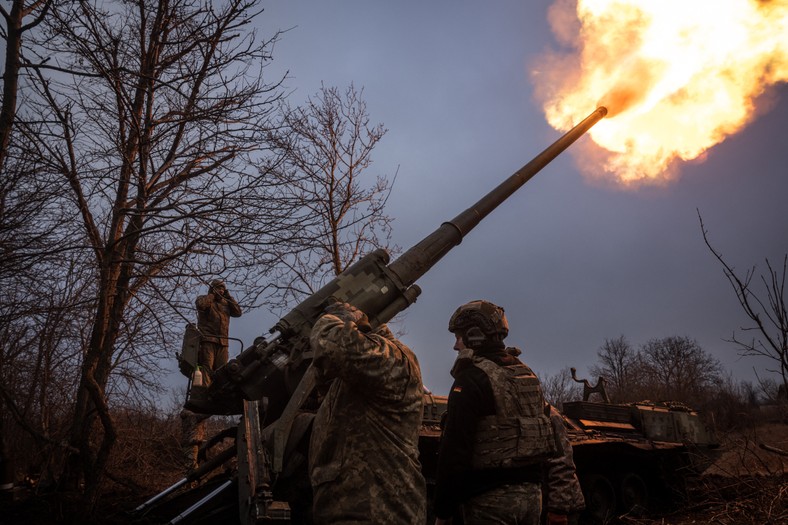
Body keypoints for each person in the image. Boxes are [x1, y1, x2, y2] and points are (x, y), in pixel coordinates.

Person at [433, 300, 584, 525]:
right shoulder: (525, 375)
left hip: (489, 503)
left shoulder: (471, 380)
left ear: (474, 335)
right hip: (533, 500)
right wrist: (560, 504)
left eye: (458, 336)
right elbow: (557, 443)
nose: (456, 345)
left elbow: (455, 452)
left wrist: (443, 511)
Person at [308, 301, 426, 524]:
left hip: (378, 511)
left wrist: (334, 319)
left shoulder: (394, 358)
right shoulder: (363, 375)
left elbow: (333, 346)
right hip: (356, 509)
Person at [195, 279, 242, 374]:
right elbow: (201, 305)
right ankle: (205, 388)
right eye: (218, 288)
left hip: (223, 343)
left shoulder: (226, 304)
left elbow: (238, 312)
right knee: (207, 367)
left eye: (223, 288)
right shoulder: (204, 299)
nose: (221, 290)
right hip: (208, 339)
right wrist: (212, 295)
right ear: (213, 289)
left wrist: (228, 296)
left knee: (222, 371)